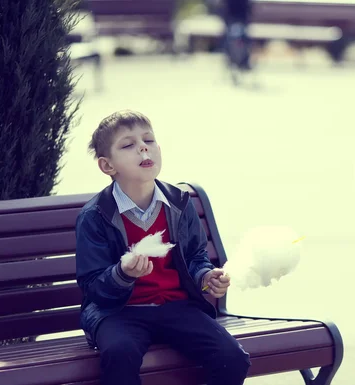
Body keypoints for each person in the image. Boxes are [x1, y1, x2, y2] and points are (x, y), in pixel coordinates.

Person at [75, 110, 251, 385]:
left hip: (176, 306)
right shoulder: (95, 215)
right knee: (119, 354)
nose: (143, 147)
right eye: (128, 144)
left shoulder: (179, 204)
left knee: (232, 357)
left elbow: (195, 256)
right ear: (108, 166)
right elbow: (92, 285)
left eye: (149, 140)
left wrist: (205, 276)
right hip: (120, 313)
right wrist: (122, 273)